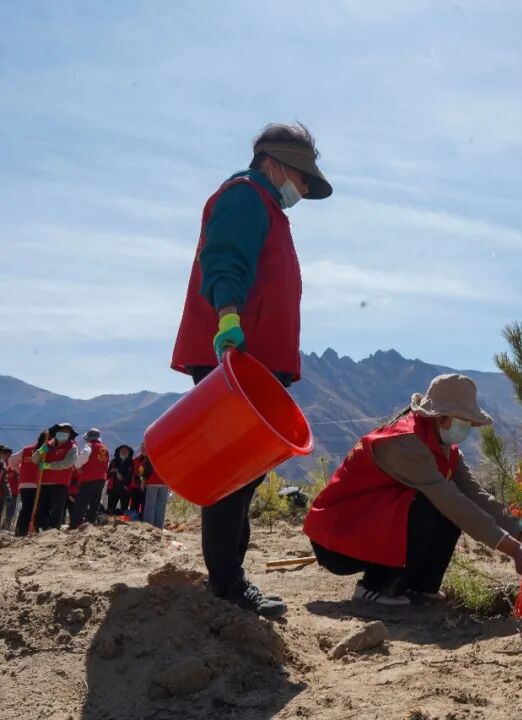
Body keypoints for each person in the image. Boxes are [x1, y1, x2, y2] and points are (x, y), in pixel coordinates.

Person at [170, 122, 332, 618]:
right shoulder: (243, 197)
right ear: (275, 164)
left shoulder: (268, 209)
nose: (303, 188)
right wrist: (229, 320)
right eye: (301, 177)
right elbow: (224, 261)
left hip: (258, 361)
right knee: (232, 472)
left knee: (246, 473)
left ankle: (229, 578)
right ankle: (227, 585)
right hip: (238, 356)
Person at [304, 374, 522, 605]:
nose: (465, 429)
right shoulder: (404, 442)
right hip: (337, 539)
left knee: (450, 503)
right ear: (439, 416)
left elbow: (476, 495)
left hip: (367, 531)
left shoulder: (446, 450)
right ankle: (376, 586)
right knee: (432, 503)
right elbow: (448, 499)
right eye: (462, 421)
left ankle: (420, 586)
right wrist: (515, 550)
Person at [34, 424, 81, 530]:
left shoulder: (72, 448)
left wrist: (47, 465)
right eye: (61, 431)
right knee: (41, 508)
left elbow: (67, 464)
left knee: (56, 509)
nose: (64, 434)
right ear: (56, 433)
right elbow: (34, 459)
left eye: (66, 432)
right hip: (43, 482)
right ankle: (39, 528)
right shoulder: (48, 445)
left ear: (70, 435)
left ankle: (52, 529)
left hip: (60, 483)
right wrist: (42, 450)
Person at [70, 428, 110, 528]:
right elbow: (106, 464)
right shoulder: (105, 448)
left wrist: (76, 466)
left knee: (81, 503)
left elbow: (84, 456)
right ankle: (91, 523)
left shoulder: (89, 445)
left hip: (88, 479)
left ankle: (75, 525)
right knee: (95, 503)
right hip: (101, 479)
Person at [13, 432, 49, 536]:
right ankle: (36, 531)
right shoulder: (45, 450)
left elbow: (11, 461)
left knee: (26, 509)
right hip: (38, 484)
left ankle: (21, 532)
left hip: (25, 484)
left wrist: (20, 471)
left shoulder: (26, 450)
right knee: (39, 509)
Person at [141, 453, 169, 529]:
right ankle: (159, 527)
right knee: (160, 507)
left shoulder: (152, 455)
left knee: (150, 506)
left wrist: (143, 483)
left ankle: (148, 526)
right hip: (164, 482)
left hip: (152, 482)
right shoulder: (168, 455)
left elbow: (147, 470)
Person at [106, 445, 135, 515]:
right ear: (118, 452)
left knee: (124, 510)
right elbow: (107, 473)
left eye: (125, 451)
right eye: (121, 451)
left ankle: (121, 524)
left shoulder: (132, 463)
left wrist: (124, 483)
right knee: (110, 509)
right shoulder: (113, 462)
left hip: (125, 489)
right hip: (113, 489)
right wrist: (115, 471)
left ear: (129, 452)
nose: (123, 452)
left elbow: (132, 475)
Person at [0, 446, 15, 531]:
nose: (9, 457)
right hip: (4, 492)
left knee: (8, 512)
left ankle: (4, 529)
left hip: (7, 492)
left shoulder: (7, 465)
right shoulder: (2, 465)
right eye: (8, 455)